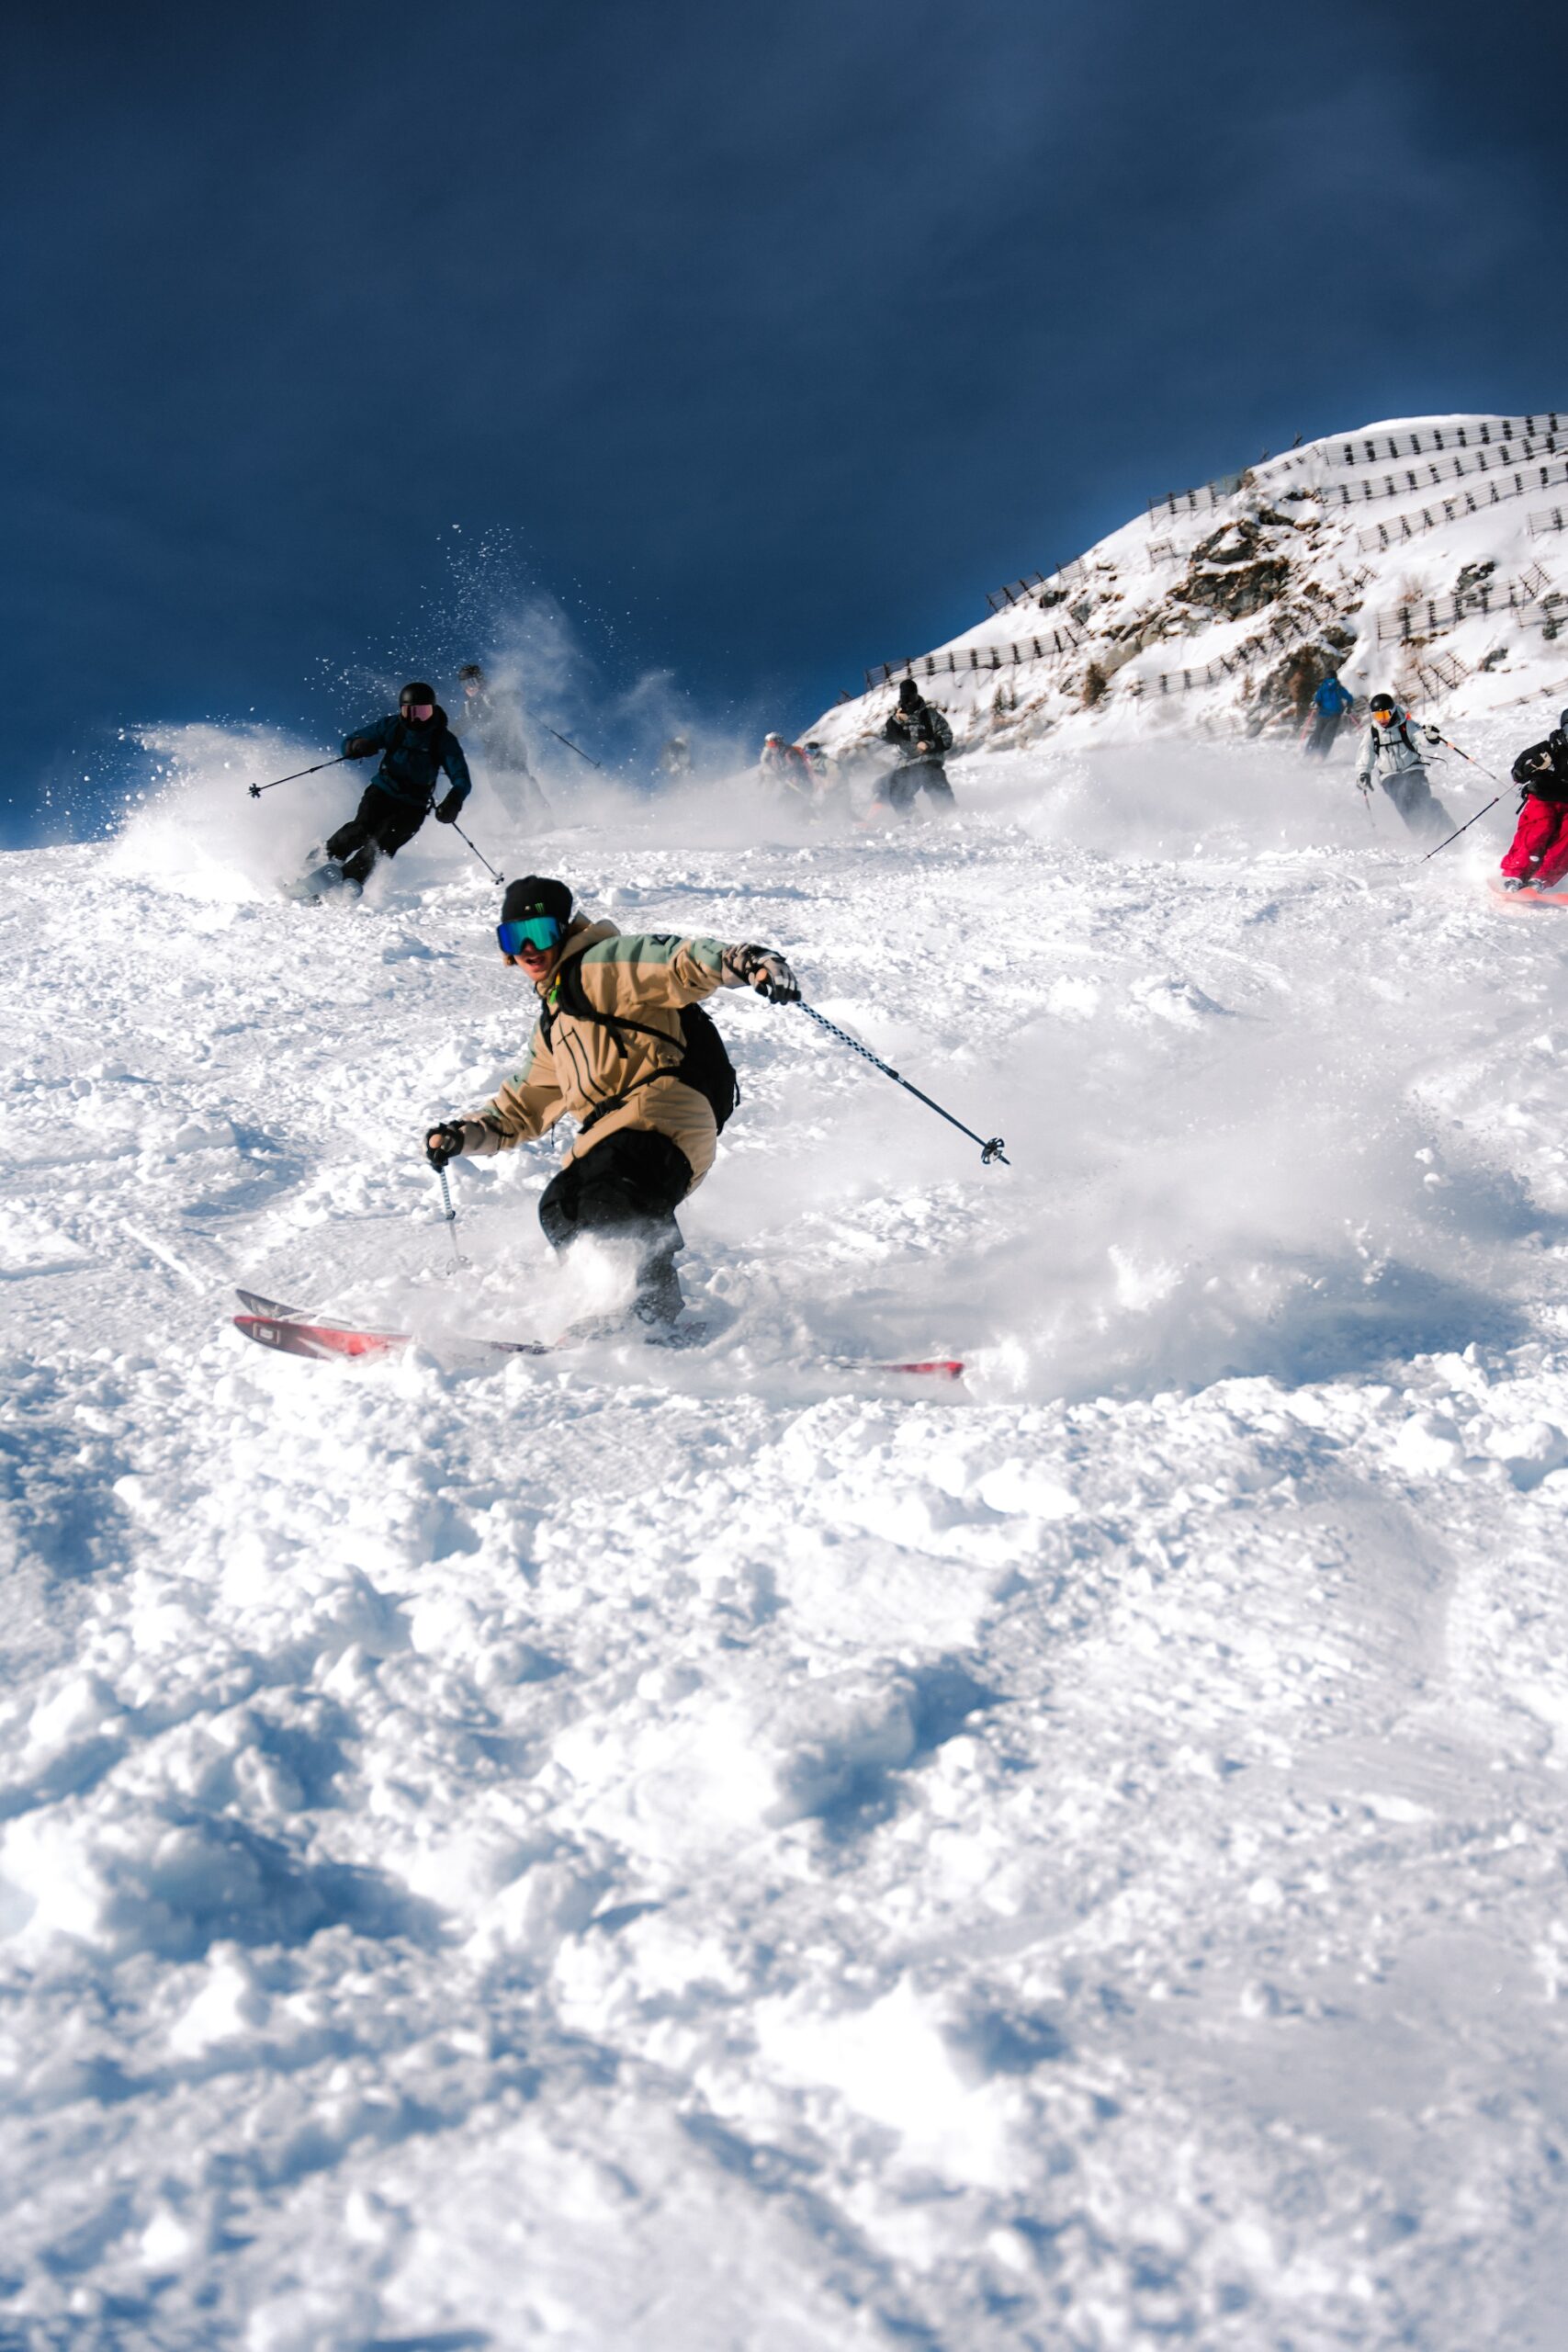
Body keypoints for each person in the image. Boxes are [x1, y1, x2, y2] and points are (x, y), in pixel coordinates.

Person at [423, 876, 801, 1335]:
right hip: (618, 1131)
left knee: (612, 1192)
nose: (528, 948)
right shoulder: (553, 1027)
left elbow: (675, 962)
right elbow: (519, 1108)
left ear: (563, 929)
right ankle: (603, 1303)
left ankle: (649, 1312)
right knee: (560, 1205)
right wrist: (463, 1135)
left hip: (667, 1109)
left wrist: (745, 961)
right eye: (513, 938)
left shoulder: (604, 963)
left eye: (540, 932)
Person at [311, 684, 472, 894]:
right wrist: (358, 746)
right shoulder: (392, 726)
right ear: (401, 710)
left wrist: (453, 801)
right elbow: (349, 742)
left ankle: (350, 880)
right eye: (409, 712)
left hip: (414, 804)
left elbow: (462, 778)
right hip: (383, 792)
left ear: (432, 710)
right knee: (361, 829)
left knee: (383, 844)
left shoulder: (442, 739)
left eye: (422, 713)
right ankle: (320, 860)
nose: (416, 719)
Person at [457, 662, 551, 823]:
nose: (470, 688)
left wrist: (509, 699)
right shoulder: (469, 707)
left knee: (519, 778)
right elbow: (459, 728)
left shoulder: (493, 695)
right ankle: (521, 820)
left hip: (511, 745)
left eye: (473, 682)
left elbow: (515, 696)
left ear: (481, 681)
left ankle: (543, 814)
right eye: (465, 684)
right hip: (492, 752)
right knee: (499, 785)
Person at [1354, 692, 1453, 841]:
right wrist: (1363, 773)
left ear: (1393, 711)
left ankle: (1445, 827)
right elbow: (1366, 754)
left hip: (1412, 769)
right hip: (1389, 775)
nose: (1382, 720)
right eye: (1378, 716)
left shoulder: (1407, 726)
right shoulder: (1373, 733)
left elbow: (1421, 737)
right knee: (1402, 799)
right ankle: (1420, 831)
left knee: (1422, 797)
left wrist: (1430, 737)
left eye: (1385, 715)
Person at [1498, 708, 1568, 891]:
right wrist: (1534, 765)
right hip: (1543, 797)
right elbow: (1518, 772)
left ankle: (1542, 877)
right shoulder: (1547, 749)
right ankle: (1517, 871)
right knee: (1540, 826)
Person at [875, 678, 956, 816]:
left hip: (929, 759)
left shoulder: (930, 715)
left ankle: (950, 814)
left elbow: (947, 737)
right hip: (907, 763)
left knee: (934, 779)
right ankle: (911, 817)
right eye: (905, 698)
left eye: (911, 697)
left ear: (917, 695)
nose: (909, 702)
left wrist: (929, 744)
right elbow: (885, 738)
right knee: (896, 786)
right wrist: (896, 722)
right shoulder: (896, 719)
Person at [1305, 673, 1355, 758]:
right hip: (1322, 715)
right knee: (1317, 734)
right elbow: (1317, 699)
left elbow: (1349, 697)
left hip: (1334, 716)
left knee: (1327, 735)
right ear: (1325, 680)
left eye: (1332, 680)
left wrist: (1349, 706)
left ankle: (1321, 755)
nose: (1330, 682)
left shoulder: (1339, 689)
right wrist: (1316, 703)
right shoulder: (1322, 689)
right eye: (1328, 680)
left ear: (1335, 680)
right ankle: (1309, 753)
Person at [759, 732, 814, 805]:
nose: (771, 748)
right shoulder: (778, 756)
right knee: (783, 802)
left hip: (802, 782)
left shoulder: (790, 752)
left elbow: (798, 767)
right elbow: (767, 762)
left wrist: (793, 776)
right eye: (768, 745)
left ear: (779, 743)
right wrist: (780, 774)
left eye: (772, 744)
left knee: (797, 803)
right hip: (791, 785)